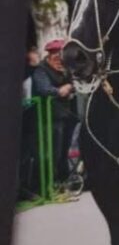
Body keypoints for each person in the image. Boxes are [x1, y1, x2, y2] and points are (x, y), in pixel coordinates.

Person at [31, 39, 78, 182]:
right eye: (56, 58)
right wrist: (59, 91)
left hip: (66, 116)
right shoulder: (41, 70)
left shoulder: (66, 69)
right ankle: (49, 184)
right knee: (52, 153)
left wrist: (70, 87)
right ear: (49, 57)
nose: (59, 62)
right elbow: (44, 89)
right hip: (49, 119)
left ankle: (62, 181)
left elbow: (74, 83)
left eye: (61, 58)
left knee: (64, 151)